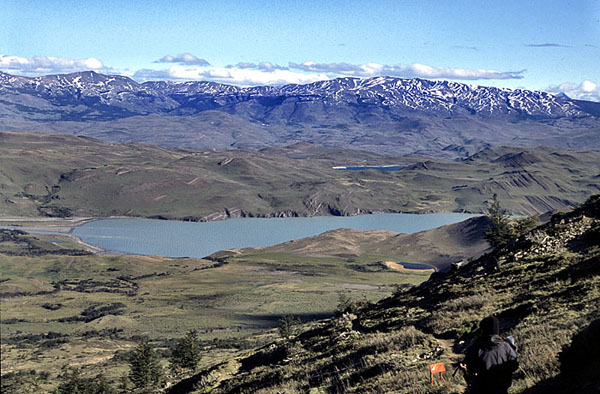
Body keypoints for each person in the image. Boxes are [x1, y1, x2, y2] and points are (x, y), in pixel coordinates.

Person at [460, 316, 519, 394]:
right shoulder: (506, 346)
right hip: (501, 389)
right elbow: (515, 365)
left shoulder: (476, 347)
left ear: (483, 330)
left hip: (480, 389)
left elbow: (471, 366)